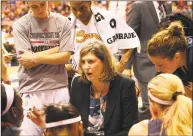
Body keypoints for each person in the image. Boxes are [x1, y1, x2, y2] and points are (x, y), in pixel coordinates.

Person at [13, 1, 74, 135]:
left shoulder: (63, 22)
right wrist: (58, 49)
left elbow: (65, 57)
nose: (40, 9)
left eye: (42, 4)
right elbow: (26, 62)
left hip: (59, 87)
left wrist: (35, 57)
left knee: (62, 133)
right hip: (31, 88)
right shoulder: (21, 24)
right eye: (34, 6)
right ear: (27, 4)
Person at [70, 41, 138, 136]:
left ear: (104, 62)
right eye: (83, 62)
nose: (86, 67)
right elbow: (73, 123)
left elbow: (130, 129)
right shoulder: (78, 83)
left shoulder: (125, 85)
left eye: (91, 61)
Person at [126, 1, 172, 121]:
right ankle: (141, 130)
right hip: (145, 65)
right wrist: (126, 67)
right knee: (149, 105)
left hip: (167, 63)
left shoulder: (167, 6)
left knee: (165, 102)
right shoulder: (138, 6)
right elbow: (128, 38)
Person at [68, 1, 140, 74]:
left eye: (82, 8)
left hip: (106, 71)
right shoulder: (67, 23)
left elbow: (131, 39)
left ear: (89, 3)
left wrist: (122, 64)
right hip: (80, 73)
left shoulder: (108, 18)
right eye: (73, 9)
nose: (78, 13)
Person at [147, 21, 193, 99]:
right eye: (154, 64)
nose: (158, 69)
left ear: (176, 57)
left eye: (160, 65)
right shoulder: (177, 60)